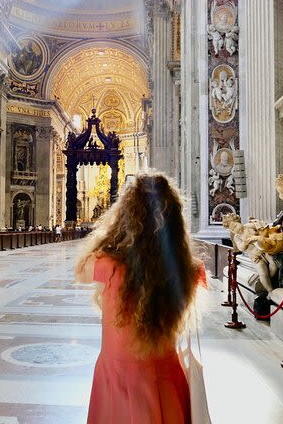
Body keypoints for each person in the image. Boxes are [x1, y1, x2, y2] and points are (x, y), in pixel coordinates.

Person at [75, 172, 205, 424]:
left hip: (119, 375)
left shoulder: (109, 264)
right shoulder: (188, 268)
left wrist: (113, 232)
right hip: (166, 375)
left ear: (126, 216)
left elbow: (80, 271)